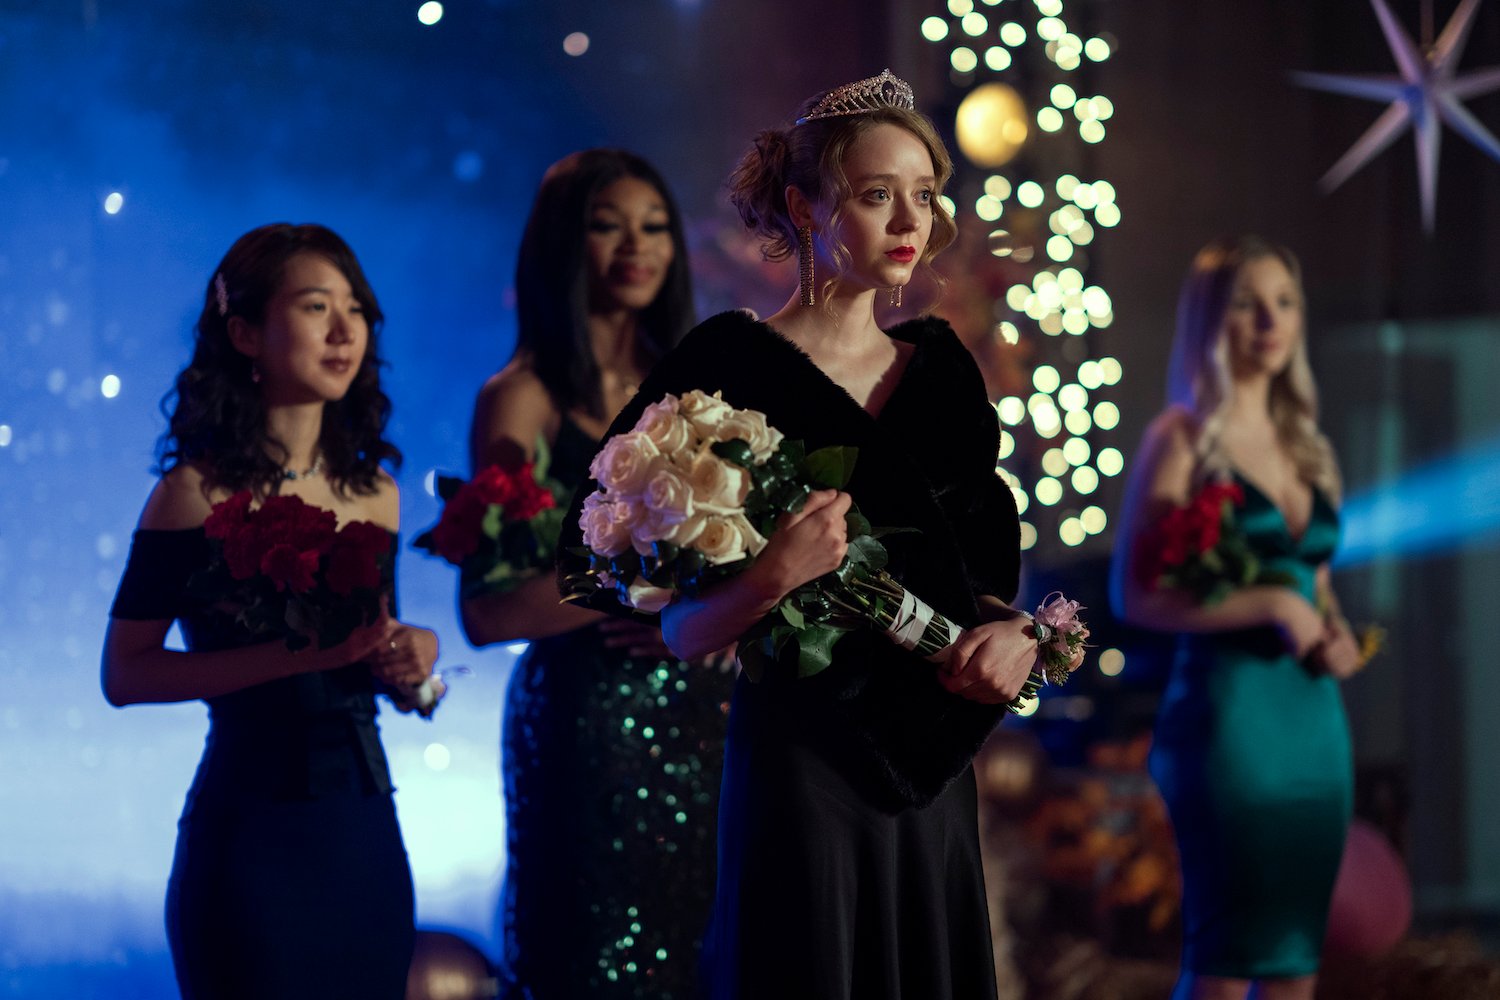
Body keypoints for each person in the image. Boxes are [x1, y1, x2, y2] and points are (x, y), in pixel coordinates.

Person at [557, 71, 1038, 1000]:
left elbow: (982, 588)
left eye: (925, 195)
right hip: (800, 768)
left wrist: (1019, 635)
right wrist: (770, 577)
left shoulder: (943, 373)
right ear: (803, 204)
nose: (910, 219)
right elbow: (674, 627)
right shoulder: (726, 366)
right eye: (876, 194)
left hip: (932, 772)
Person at [102, 223, 439, 1000]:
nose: (344, 330)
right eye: (316, 306)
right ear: (245, 333)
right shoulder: (193, 493)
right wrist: (298, 656)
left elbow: (375, 647)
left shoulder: (375, 493)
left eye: (355, 309)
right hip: (252, 835)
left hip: (363, 830)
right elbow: (125, 674)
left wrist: (417, 661)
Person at [460, 149, 731, 999]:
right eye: (607, 226)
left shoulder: (703, 389)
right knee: (592, 959)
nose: (636, 247)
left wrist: (732, 611)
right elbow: (488, 612)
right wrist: (650, 581)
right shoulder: (521, 398)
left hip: (706, 713)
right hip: (588, 723)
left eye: (654, 227)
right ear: (562, 245)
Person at [1109, 236, 1363, 1000]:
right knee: (1224, 960)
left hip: (1316, 731)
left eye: (1284, 302)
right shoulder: (1181, 438)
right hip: (1229, 726)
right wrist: (1273, 604)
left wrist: (1339, 637)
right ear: (1211, 319)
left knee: (1295, 962)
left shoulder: (1310, 447)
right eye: (1248, 304)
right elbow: (1133, 596)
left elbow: (1318, 588)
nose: (1270, 322)